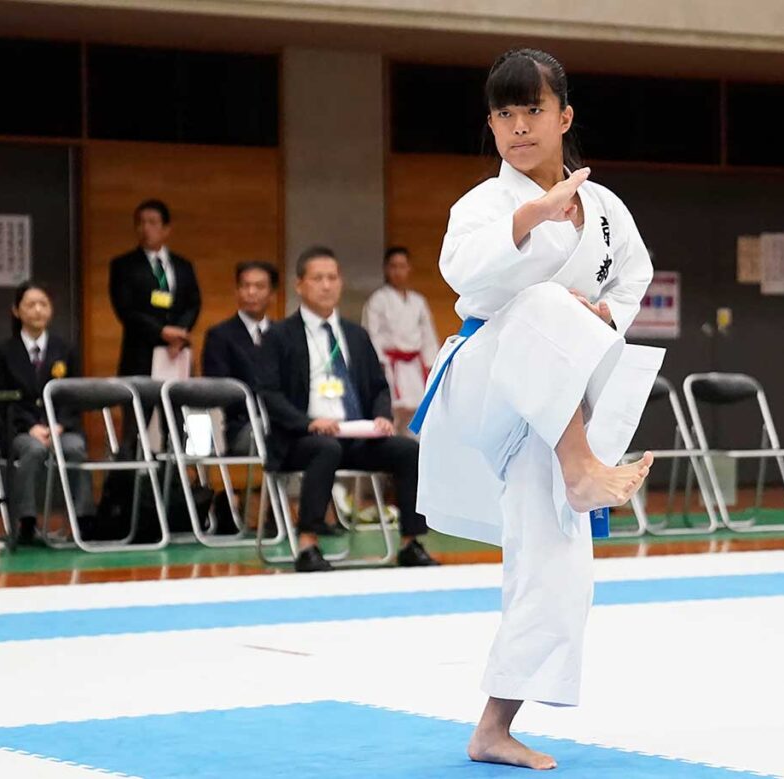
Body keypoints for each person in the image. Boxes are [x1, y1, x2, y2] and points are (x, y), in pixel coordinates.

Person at [413, 49, 661, 770]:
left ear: (564, 116)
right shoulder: (482, 206)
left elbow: (634, 280)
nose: (519, 126)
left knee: (557, 556)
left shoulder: (607, 209)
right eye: (504, 114)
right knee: (548, 302)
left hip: (554, 406)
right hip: (488, 381)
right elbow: (463, 274)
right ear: (491, 124)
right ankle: (582, 465)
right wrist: (529, 218)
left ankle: (494, 725)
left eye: (533, 110)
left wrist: (599, 316)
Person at [258, 246, 438, 572]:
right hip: (303, 437)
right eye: (317, 278)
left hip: (355, 435)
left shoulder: (355, 335)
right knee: (324, 449)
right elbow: (269, 394)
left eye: (332, 278)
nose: (326, 285)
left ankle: (412, 543)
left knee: (408, 451)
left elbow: (379, 386)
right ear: (300, 285)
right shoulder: (280, 336)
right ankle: (308, 544)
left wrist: (382, 416)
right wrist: (309, 423)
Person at [0, 282, 95, 545]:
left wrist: (59, 424)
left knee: (76, 449)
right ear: (16, 311)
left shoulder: (65, 349)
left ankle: (82, 521)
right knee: (33, 450)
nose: (37, 310)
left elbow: (74, 395)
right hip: (21, 430)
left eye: (43, 304)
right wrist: (29, 427)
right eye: (30, 304)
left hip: (61, 428)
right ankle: (26, 522)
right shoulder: (3, 351)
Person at [109, 199, 201, 377]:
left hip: (177, 350)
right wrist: (161, 332)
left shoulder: (183, 265)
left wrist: (179, 333)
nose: (145, 228)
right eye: (141, 223)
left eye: (152, 222)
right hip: (140, 353)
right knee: (140, 403)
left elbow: (193, 303)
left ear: (166, 229)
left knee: (178, 402)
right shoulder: (123, 265)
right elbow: (125, 309)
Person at [362, 247, 441, 433]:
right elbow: (371, 334)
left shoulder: (418, 301)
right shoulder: (378, 300)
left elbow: (428, 336)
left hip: (414, 366)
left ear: (409, 269)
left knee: (418, 416)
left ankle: (416, 458)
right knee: (391, 415)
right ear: (386, 269)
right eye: (393, 266)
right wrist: (378, 364)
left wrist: (431, 364)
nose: (398, 271)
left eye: (402, 266)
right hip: (390, 366)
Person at [203, 260, 279, 454]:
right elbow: (218, 389)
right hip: (242, 425)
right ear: (237, 291)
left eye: (259, 286)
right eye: (245, 286)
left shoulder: (284, 335)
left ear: (272, 294)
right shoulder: (220, 335)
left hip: (282, 419)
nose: (251, 292)